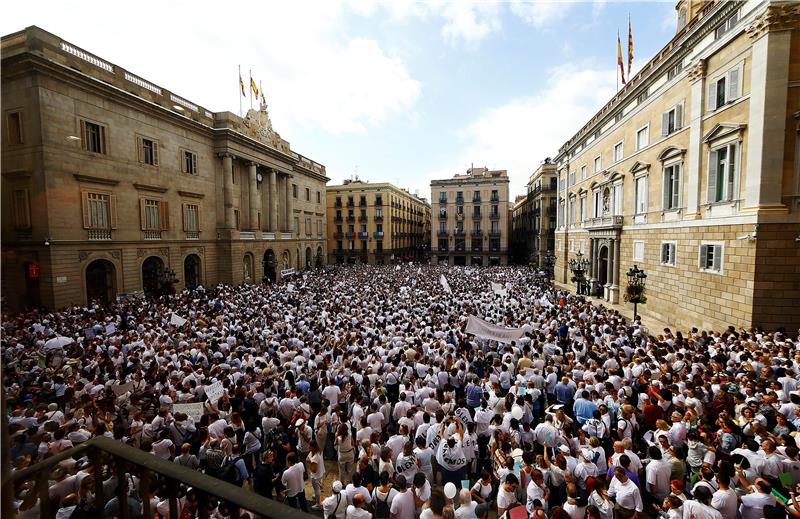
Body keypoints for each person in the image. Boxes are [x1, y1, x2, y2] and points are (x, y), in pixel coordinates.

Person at [308, 441, 325, 510]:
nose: (308, 448)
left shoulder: (314, 457)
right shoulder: (320, 451)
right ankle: (316, 496)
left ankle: (318, 504)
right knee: (318, 487)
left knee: (316, 489)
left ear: (313, 447)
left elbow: (314, 470)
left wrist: (310, 463)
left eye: (310, 447)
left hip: (316, 476)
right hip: (321, 472)